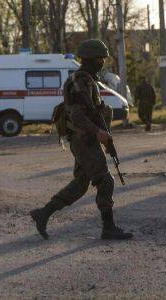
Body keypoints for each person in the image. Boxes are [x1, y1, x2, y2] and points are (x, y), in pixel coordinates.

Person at [30, 39, 133, 240]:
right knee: (105, 180)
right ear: (90, 59)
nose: (102, 62)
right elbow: (77, 115)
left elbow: (92, 112)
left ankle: (43, 213)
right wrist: (97, 132)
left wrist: (102, 134)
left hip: (84, 139)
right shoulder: (81, 82)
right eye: (100, 58)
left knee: (80, 184)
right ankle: (108, 227)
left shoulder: (86, 80)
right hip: (84, 140)